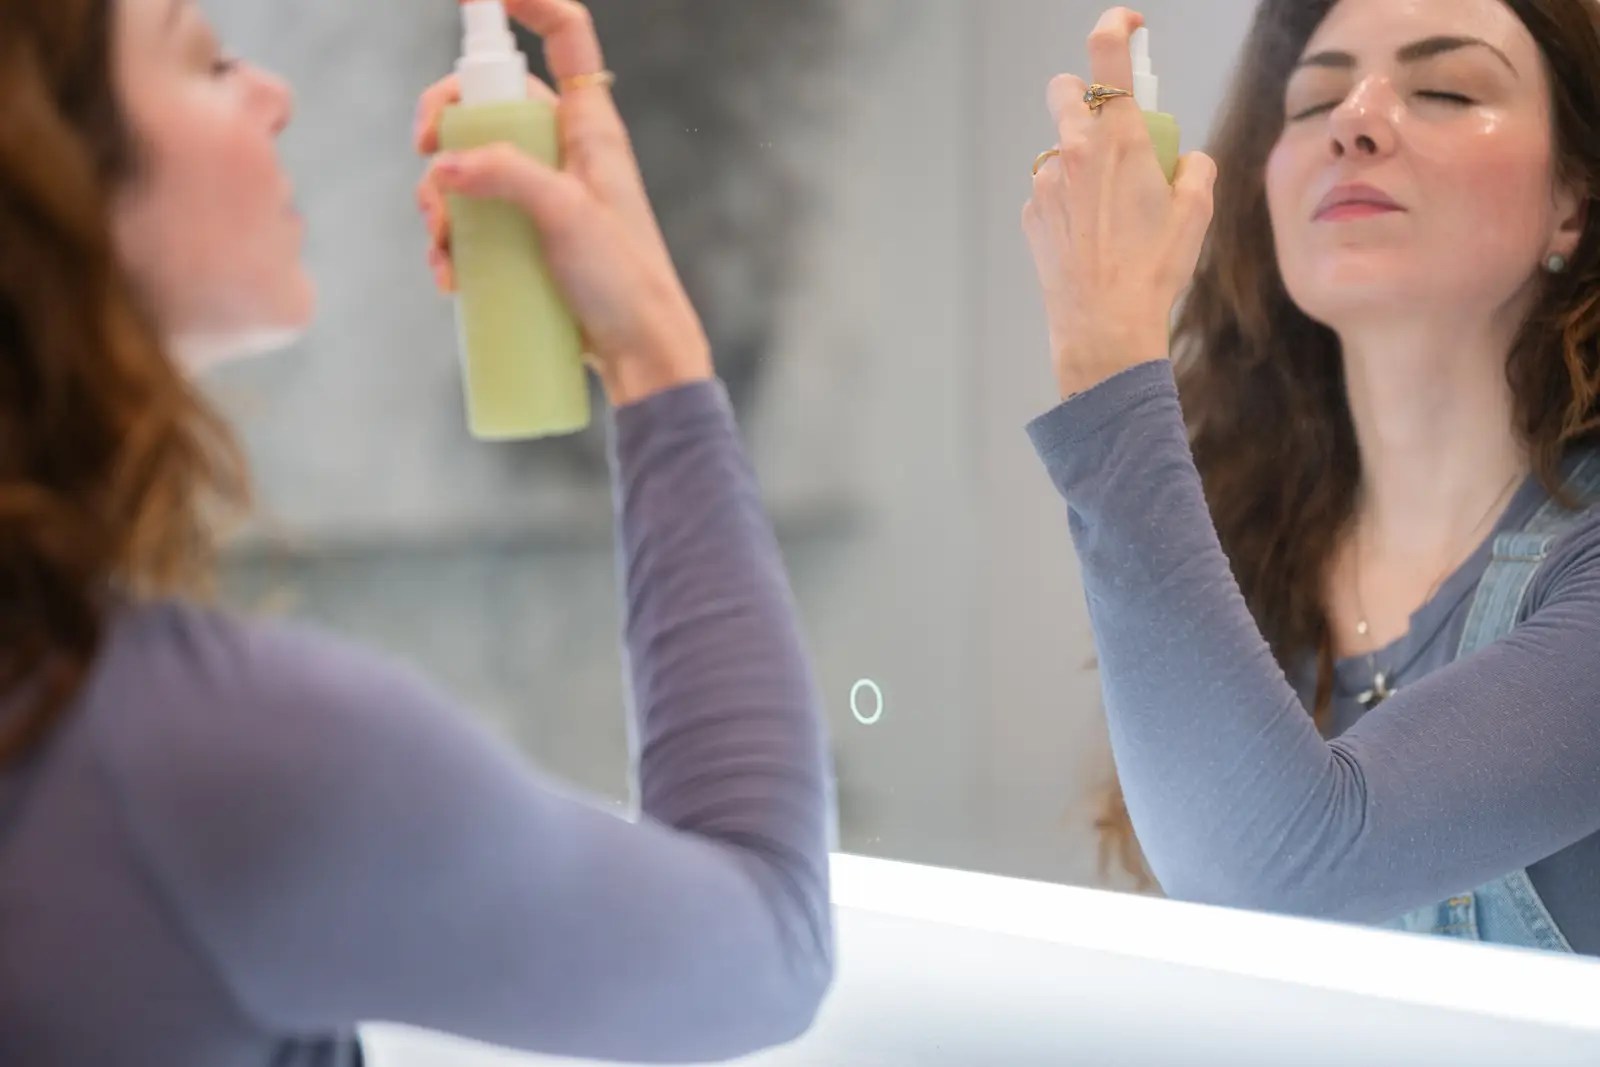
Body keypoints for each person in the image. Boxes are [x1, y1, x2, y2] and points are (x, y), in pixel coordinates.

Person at [0, 0, 834, 1062]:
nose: (276, 92)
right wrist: (652, 350)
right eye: (207, 63)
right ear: (47, 177)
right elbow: (770, 944)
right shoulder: (217, 759)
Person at [1024, 0, 1600, 956]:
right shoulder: (1238, 564)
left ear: (1573, 202)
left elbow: (1274, 870)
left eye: (1447, 88)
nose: (1355, 119)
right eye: (1316, 98)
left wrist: (1107, 361)